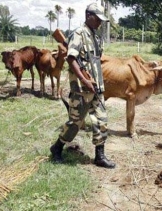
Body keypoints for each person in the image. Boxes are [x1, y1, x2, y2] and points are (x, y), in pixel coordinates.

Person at [50, 3, 115, 169]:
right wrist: (85, 80)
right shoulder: (79, 33)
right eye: (98, 19)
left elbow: (95, 61)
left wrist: (97, 81)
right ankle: (57, 148)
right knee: (76, 122)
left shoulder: (95, 36)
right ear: (88, 16)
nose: (100, 23)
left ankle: (99, 156)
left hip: (96, 86)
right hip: (82, 89)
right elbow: (71, 59)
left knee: (102, 120)